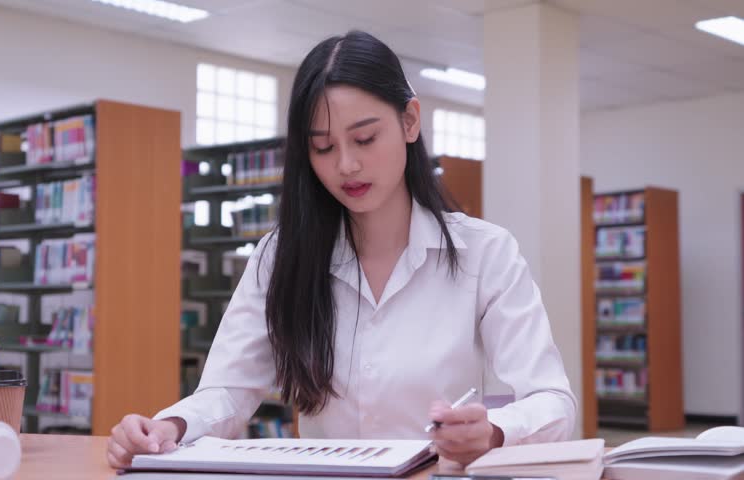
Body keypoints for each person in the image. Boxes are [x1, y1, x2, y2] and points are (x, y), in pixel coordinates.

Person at [107, 30, 576, 469]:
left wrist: (494, 430)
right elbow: (228, 391)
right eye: (323, 147)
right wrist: (168, 427)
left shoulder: (484, 252)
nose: (346, 165)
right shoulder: (280, 255)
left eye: (365, 138)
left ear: (409, 121)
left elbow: (553, 401)